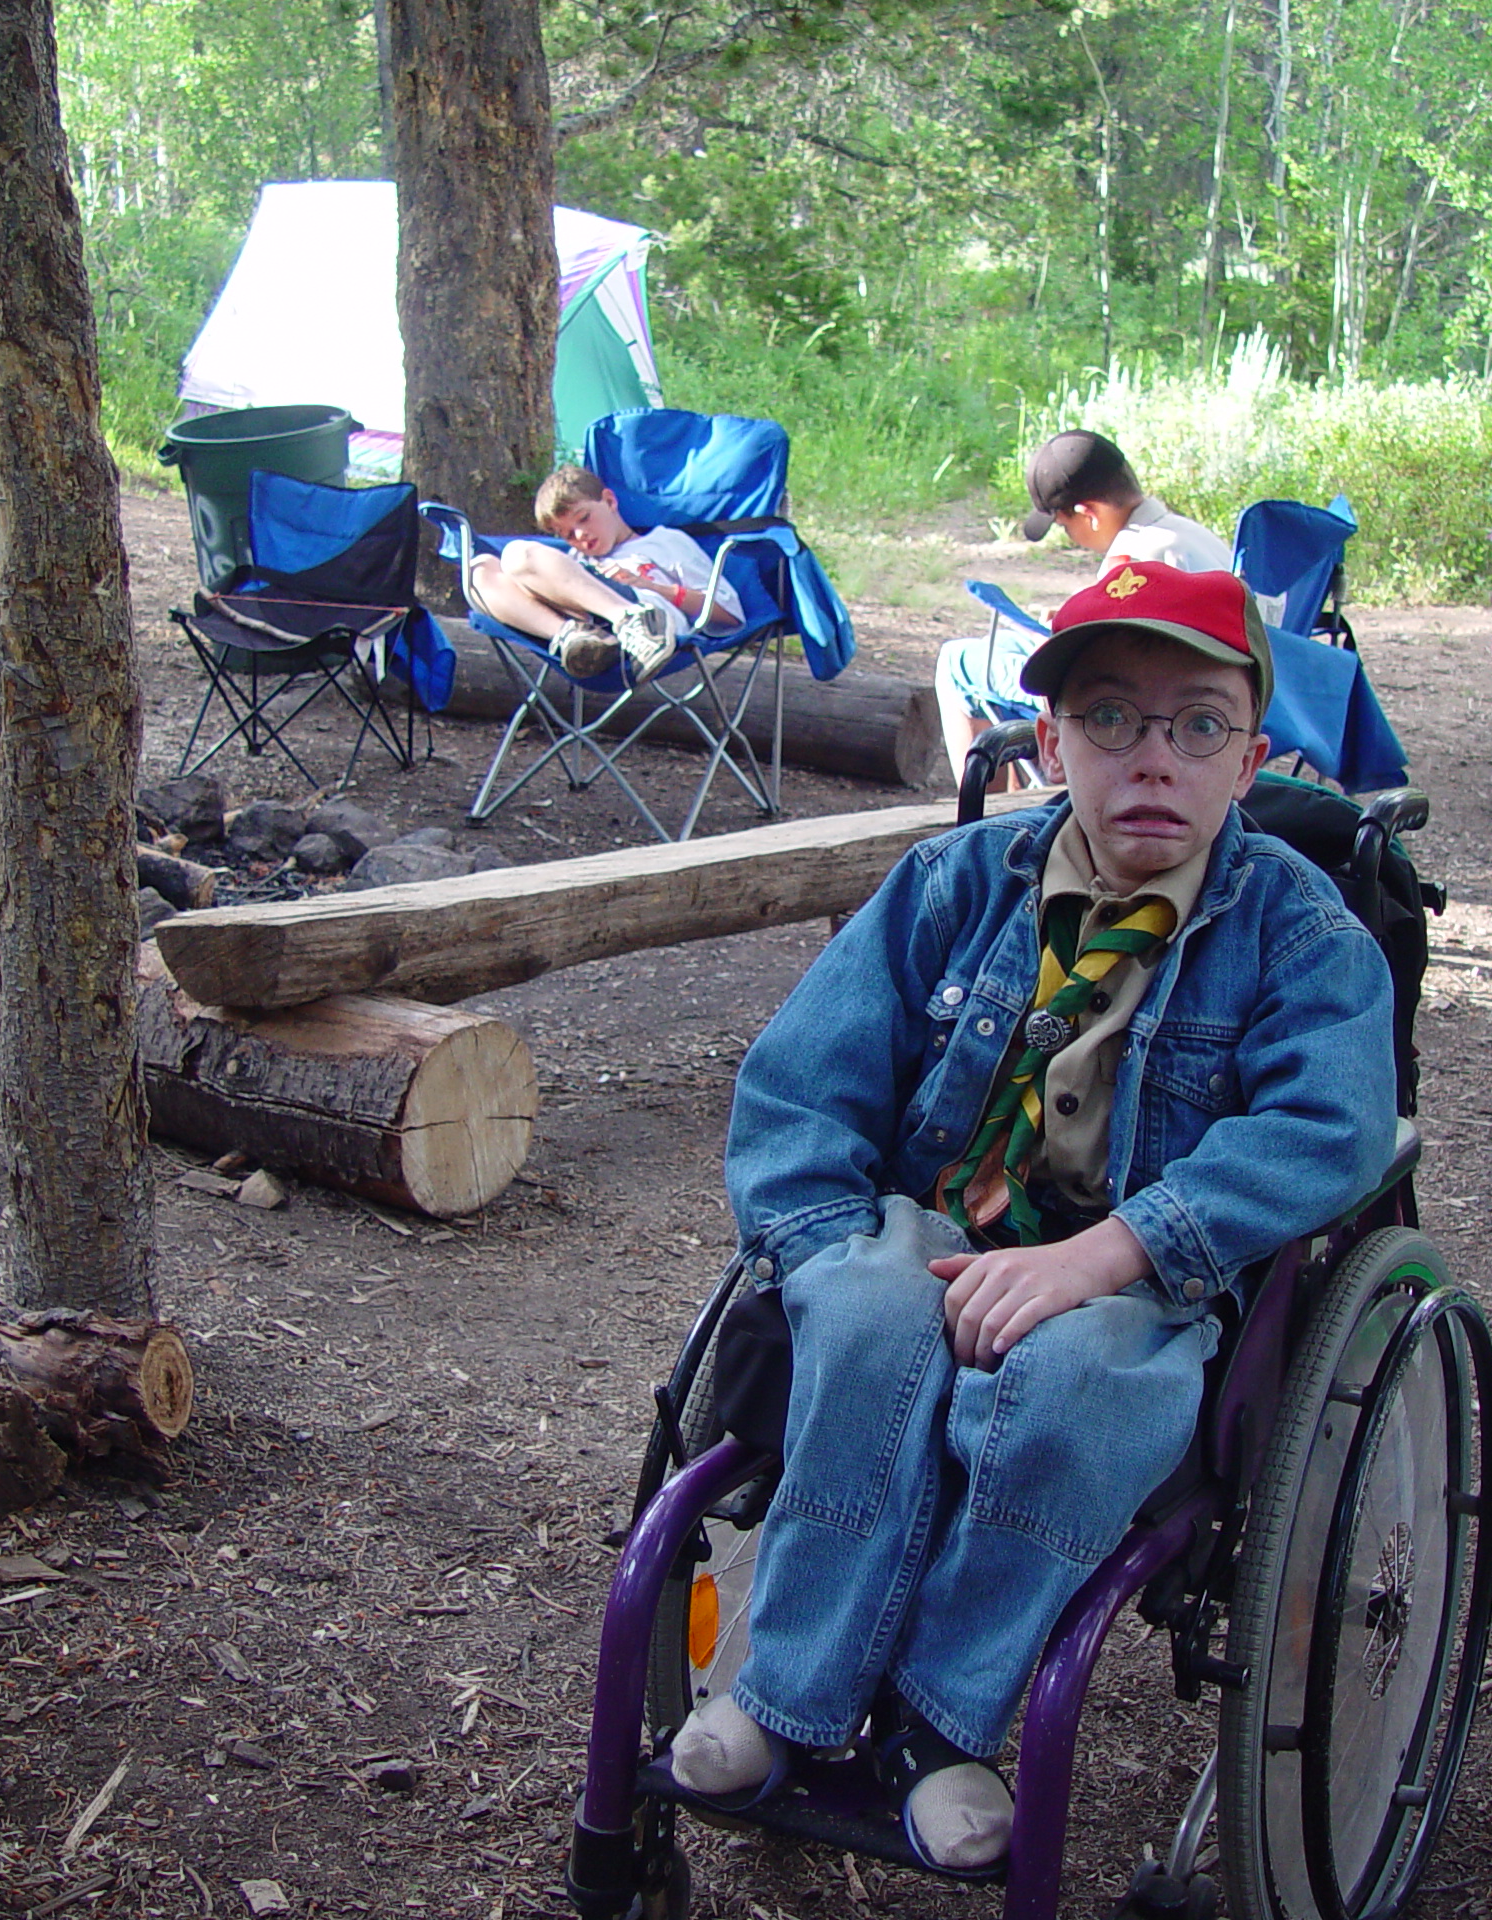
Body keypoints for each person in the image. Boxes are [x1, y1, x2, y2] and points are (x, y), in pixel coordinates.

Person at [676, 564, 1398, 1873]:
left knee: (1083, 1390)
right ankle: (783, 1693)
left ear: (1253, 758)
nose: (1152, 760)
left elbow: (1331, 1127)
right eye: (1110, 719)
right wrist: (824, 1242)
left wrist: (1117, 1250)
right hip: (926, 1220)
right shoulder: (951, 885)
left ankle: (937, 1725)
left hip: (1135, 1272)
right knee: (863, 1316)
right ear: (1049, 738)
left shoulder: (1300, 932)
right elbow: (801, 1082)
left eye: (1198, 726)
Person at [937, 430, 1235, 785]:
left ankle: (980, 814)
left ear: (1088, 513)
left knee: (957, 662)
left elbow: (1109, 662)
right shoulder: (1191, 535)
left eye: (1064, 526)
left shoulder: (1130, 559)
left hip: (1138, 705)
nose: (1069, 536)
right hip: (1211, 696)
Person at [466, 464, 739, 684]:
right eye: (568, 535)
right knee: (479, 570)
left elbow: (729, 614)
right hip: (589, 632)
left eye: (584, 518)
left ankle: (634, 621)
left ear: (609, 501)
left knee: (518, 555)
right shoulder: (575, 560)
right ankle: (572, 637)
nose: (581, 535)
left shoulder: (664, 542)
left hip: (651, 619)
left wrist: (653, 587)